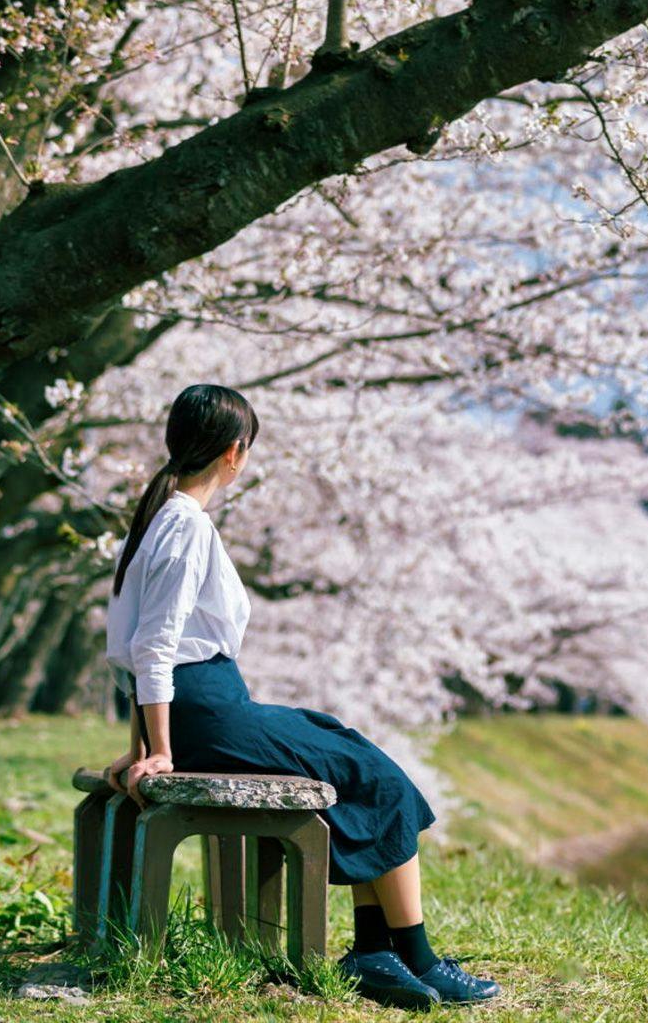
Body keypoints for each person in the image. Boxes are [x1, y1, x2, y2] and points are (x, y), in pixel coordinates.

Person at [103, 383, 499, 1011]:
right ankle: (414, 955)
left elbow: (127, 647)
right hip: (208, 711)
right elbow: (154, 648)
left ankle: (376, 950)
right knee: (381, 779)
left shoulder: (157, 520)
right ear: (236, 452)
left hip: (202, 709)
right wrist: (163, 752)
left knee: (348, 750)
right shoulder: (186, 526)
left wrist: (145, 745)